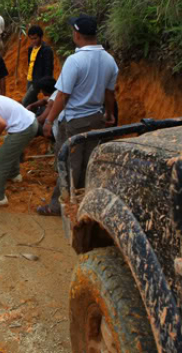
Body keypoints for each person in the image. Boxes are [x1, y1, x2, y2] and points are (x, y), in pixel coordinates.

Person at [37, 15, 118, 216]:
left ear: (77, 34)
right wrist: (108, 114)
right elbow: (110, 93)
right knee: (88, 164)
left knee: (68, 165)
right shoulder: (109, 60)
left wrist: (48, 121)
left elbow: (62, 96)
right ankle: (82, 204)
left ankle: (58, 206)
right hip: (97, 119)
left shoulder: (75, 61)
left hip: (74, 121)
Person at [22, 25, 54, 107]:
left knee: (26, 100)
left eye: (35, 38)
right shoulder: (30, 49)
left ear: (41, 37)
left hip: (38, 81)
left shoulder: (46, 50)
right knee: (32, 99)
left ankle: (36, 115)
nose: (33, 41)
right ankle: (36, 115)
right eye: (31, 38)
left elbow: (48, 67)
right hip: (30, 78)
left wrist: (45, 82)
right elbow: (30, 64)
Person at [25, 76, 58, 140]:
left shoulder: (52, 101)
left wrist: (26, 122)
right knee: (42, 107)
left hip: (56, 133)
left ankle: (24, 137)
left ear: (45, 90)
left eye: (41, 89)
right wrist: (31, 105)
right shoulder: (57, 92)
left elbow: (41, 119)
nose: (40, 91)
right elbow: (44, 100)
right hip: (64, 124)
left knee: (32, 125)